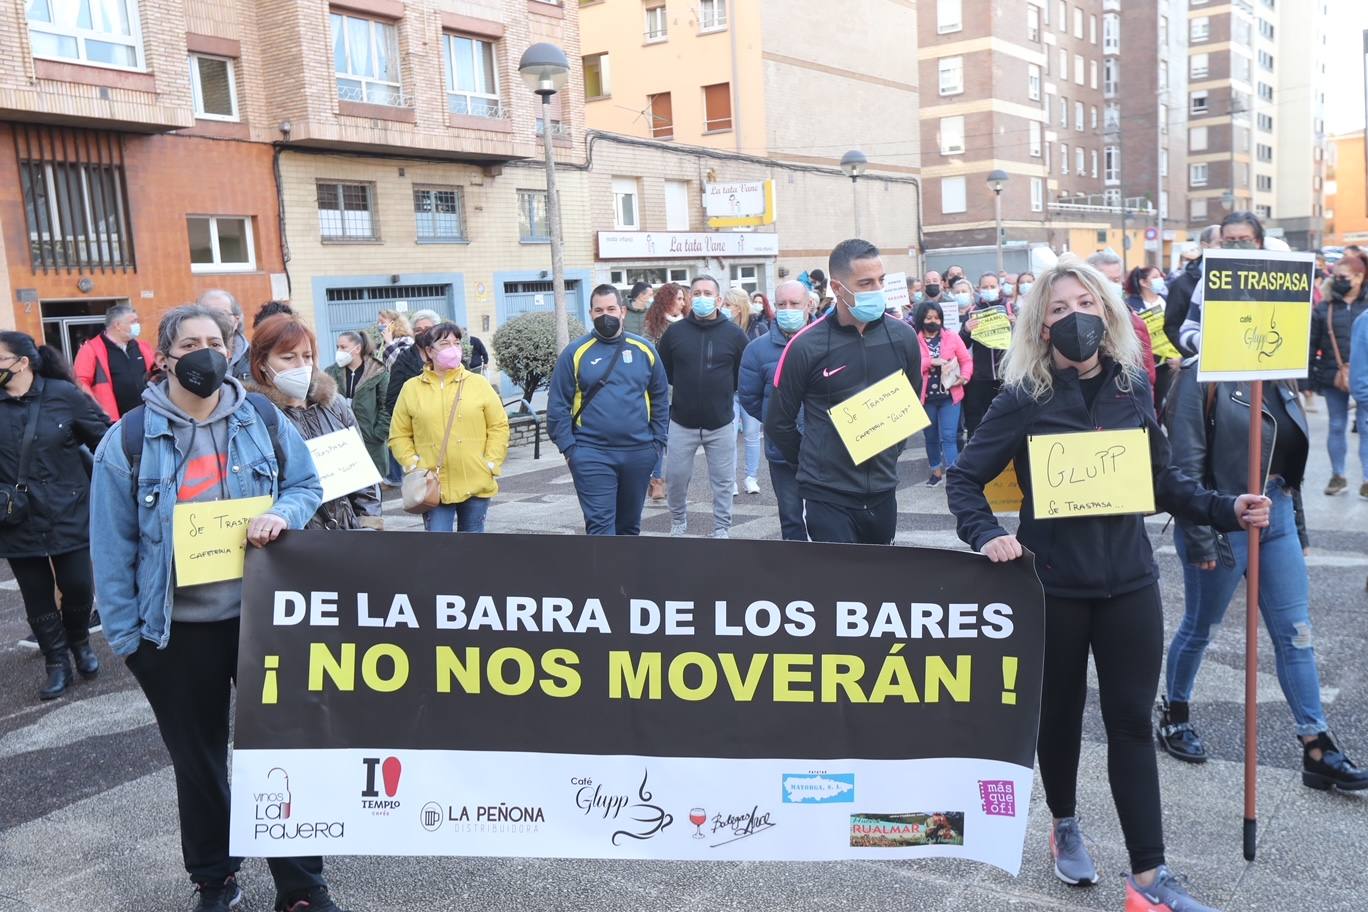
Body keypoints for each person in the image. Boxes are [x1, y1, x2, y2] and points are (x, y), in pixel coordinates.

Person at [945, 255, 1267, 912]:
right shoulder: (1022, 399)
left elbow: (1163, 480)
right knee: (1058, 717)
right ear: (1039, 326)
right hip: (1053, 589)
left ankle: (1150, 877)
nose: (1075, 319)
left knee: (1129, 723)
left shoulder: (1131, 387)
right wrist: (987, 535)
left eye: (1086, 305)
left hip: (1129, 585)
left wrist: (1224, 507)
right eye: (1059, 309)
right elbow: (963, 479)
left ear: (1108, 313)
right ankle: (1064, 824)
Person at [88, 305, 338, 912]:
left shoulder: (262, 418)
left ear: (230, 349)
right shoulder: (125, 441)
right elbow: (111, 549)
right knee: (198, 763)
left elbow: (305, 485)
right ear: (165, 356)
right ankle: (215, 879)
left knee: (281, 752)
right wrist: (129, 643)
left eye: (216, 340)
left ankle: (301, 885)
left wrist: (284, 514)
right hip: (175, 632)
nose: (204, 351)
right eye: (190, 342)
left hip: (263, 621)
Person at [1160, 366, 1368, 790]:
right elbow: (1183, 468)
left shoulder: (1280, 373)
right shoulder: (1200, 375)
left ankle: (1316, 744)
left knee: (1296, 633)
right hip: (1221, 517)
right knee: (1201, 627)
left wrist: (1301, 529)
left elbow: (1289, 464)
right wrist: (1201, 537)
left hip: (1277, 516)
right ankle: (1174, 715)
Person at [765, 238, 923, 545]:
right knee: (835, 588)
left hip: (882, 490)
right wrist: (815, 463)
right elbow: (778, 423)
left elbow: (912, 401)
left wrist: (889, 452)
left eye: (881, 281)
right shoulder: (804, 346)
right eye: (865, 283)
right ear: (837, 288)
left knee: (877, 588)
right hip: (827, 496)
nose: (877, 290)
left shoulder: (903, 336)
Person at [1, 332, 110, 699]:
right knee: (36, 595)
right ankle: (56, 662)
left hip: (69, 510)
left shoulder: (63, 396)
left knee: (79, 586)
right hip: (16, 519)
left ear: (22, 361)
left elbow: (104, 440)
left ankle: (79, 642)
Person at [547, 285, 669, 535]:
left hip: (638, 453)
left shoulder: (645, 350)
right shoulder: (575, 353)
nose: (606, 315)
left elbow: (660, 397)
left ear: (623, 311)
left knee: (628, 529)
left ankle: (626, 576)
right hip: (592, 455)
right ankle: (603, 576)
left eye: (611, 309)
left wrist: (656, 444)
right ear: (590, 313)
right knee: (601, 530)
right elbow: (557, 405)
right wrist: (571, 451)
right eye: (599, 310)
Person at [247, 315, 383, 531]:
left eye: (307, 356)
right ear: (262, 363)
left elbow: (363, 478)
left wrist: (369, 526)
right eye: (288, 357)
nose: (301, 366)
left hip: (348, 533)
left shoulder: (334, 404)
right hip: (294, 541)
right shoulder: (253, 417)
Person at [389, 322, 508, 533]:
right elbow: (399, 434)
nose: (453, 348)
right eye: (444, 343)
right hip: (433, 485)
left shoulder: (478, 384)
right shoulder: (411, 389)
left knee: (472, 549)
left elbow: (498, 426)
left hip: (476, 481)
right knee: (439, 548)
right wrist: (413, 464)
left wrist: (490, 463)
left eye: (456, 343)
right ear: (428, 352)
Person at [657, 275, 750, 538]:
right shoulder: (674, 334)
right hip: (681, 422)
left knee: (723, 482)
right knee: (675, 478)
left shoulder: (734, 335)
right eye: (696, 293)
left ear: (719, 299)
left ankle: (721, 528)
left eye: (707, 293)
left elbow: (741, 373)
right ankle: (678, 521)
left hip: (720, 422)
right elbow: (666, 373)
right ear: (689, 298)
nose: (701, 298)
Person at [739, 280, 812, 540]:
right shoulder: (757, 350)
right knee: (791, 517)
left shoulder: (827, 343)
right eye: (782, 304)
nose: (788, 309)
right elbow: (750, 398)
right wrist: (779, 423)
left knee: (826, 517)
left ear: (809, 305)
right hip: (782, 449)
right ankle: (796, 573)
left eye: (794, 304)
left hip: (823, 449)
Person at [1310, 252, 1368, 496]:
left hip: (1365, 377)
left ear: (1359, 276)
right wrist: (1309, 379)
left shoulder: (1366, 308)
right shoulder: (1324, 308)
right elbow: (1312, 344)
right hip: (1334, 374)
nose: (1337, 280)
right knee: (1336, 425)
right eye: (1335, 276)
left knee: (1366, 427)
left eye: (1342, 276)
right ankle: (1338, 475)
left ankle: (1367, 480)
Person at [913, 300, 972, 486]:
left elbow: (966, 361)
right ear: (921, 318)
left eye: (937, 317)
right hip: (925, 399)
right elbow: (910, 365)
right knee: (930, 437)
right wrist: (932, 361)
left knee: (949, 437)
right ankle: (936, 472)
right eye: (929, 317)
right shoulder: (913, 339)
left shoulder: (952, 337)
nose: (933, 321)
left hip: (950, 396)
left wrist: (964, 377)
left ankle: (954, 475)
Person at [642, 283, 688, 502]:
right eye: (678, 298)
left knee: (678, 441)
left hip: (684, 390)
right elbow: (647, 358)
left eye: (683, 299)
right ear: (666, 300)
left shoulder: (689, 325)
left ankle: (673, 481)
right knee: (660, 435)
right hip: (660, 391)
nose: (682, 303)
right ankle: (657, 479)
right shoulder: (653, 326)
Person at [73, 302, 154, 420]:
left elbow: (156, 375)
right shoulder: (91, 350)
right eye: (133, 322)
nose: (137, 325)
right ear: (117, 325)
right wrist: (98, 410)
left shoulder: (143, 347)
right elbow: (80, 382)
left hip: (149, 415)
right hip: (114, 421)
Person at [1088, 252, 1157, 388]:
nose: (1114, 285)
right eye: (1107, 280)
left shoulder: (1135, 322)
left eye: (1116, 280)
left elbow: (1148, 375)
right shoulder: (1078, 323)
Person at [326, 331, 389, 477]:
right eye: (338, 347)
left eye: (343, 347)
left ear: (357, 348)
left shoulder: (378, 372)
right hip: (341, 442)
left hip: (370, 440)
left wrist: (378, 434)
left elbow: (387, 405)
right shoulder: (331, 372)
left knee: (372, 486)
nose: (339, 352)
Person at [724, 288, 765, 495]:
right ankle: (730, 481)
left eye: (728, 305)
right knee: (729, 438)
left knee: (752, 435)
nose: (725, 309)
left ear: (738, 307)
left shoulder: (758, 327)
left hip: (751, 390)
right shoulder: (723, 328)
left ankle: (751, 477)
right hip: (730, 391)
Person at [960, 274, 1007, 438]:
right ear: (979, 289)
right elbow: (961, 345)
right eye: (985, 287)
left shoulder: (1010, 308)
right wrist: (966, 330)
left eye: (992, 286)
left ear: (999, 287)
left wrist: (1015, 324)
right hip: (980, 376)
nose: (989, 290)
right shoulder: (973, 311)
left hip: (1006, 375)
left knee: (1004, 418)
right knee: (977, 419)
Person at [1166, 227, 1221, 357]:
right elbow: (1172, 326)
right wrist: (1191, 354)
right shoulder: (1182, 283)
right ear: (1204, 245)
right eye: (1220, 243)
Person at [383, 308, 440, 417]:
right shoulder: (403, 360)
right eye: (418, 330)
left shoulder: (445, 356)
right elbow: (392, 401)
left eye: (428, 329)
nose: (423, 333)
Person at [196, 289, 252, 381]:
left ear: (236, 321)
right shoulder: (187, 356)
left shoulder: (256, 359)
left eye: (222, 314)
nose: (214, 319)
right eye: (206, 313)